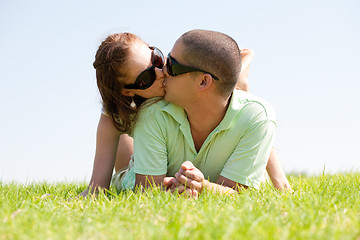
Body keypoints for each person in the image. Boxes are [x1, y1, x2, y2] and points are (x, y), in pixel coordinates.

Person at [80, 32, 291, 197]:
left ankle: (237, 79)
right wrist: (95, 189)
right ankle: (238, 79)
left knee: (235, 100)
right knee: (127, 162)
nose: (162, 72)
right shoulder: (124, 112)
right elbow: (105, 187)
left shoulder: (179, 84)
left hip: (208, 101)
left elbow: (255, 128)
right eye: (146, 77)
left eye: (158, 59)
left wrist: (280, 180)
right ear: (128, 90)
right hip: (139, 149)